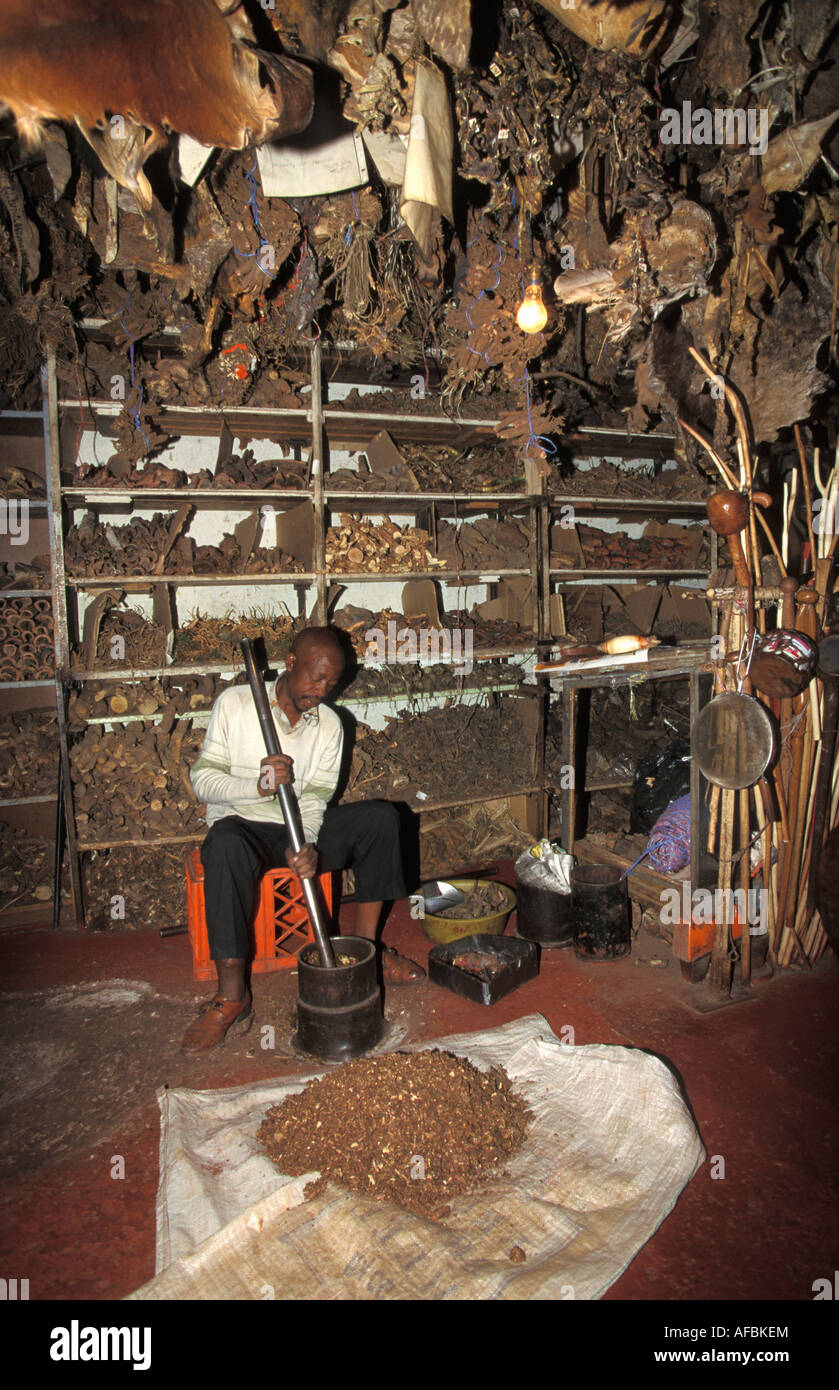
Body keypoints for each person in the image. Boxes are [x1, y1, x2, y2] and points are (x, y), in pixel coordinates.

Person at [181, 625, 424, 1054]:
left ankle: (364, 955)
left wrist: (307, 842)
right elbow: (203, 780)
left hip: (298, 827)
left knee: (382, 820)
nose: (322, 690)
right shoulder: (236, 705)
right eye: (315, 678)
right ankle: (232, 997)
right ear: (290, 663)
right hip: (243, 823)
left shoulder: (330, 724)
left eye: (331, 683)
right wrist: (256, 786)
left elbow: (315, 796)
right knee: (222, 845)